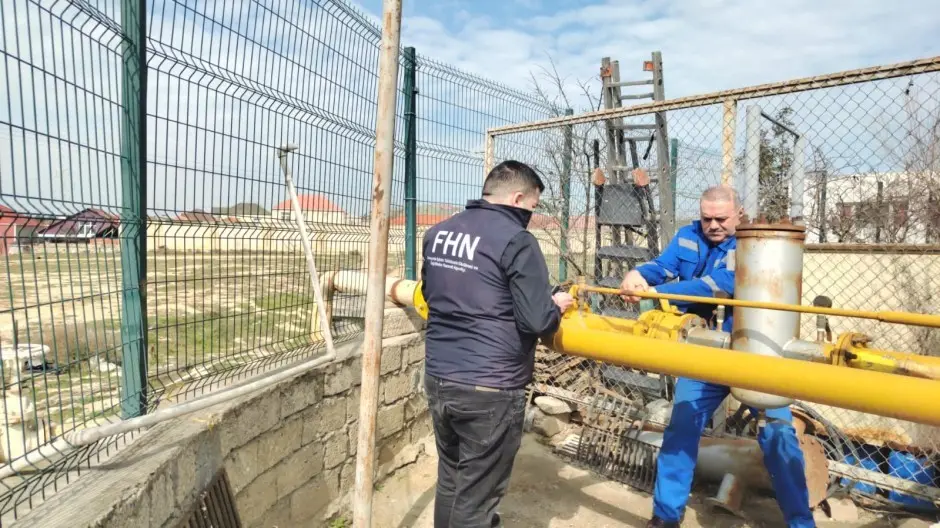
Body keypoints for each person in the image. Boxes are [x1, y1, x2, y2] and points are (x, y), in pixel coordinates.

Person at [620, 185, 815, 528]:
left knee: (779, 436)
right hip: (704, 353)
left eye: (721, 219)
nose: (712, 225)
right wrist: (639, 274)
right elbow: (664, 266)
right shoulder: (687, 236)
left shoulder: (754, 245)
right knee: (681, 430)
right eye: (706, 218)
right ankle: (666, 517)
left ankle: (800, 522)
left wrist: (658, 292)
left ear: (738, 214)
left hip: (754, 355)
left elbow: (723, 283)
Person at [420, 160, 575, 527]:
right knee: (477, 499)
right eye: (533, 208)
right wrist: (554, 305)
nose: (532, 217)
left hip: (440, 377)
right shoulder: (517, 240)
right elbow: (537, 320)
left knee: (453, 479)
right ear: (518, 197)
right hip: (490, 386)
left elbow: (432, 294)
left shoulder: (437, 233)